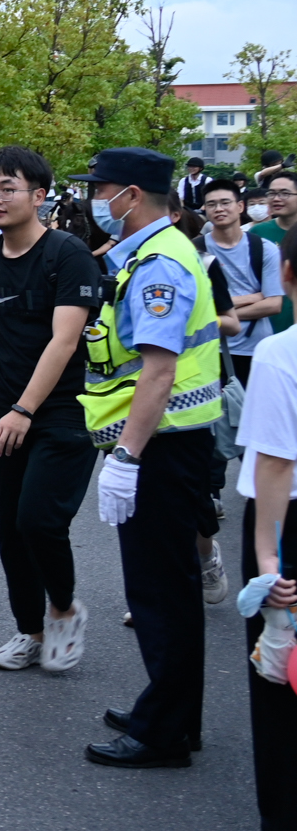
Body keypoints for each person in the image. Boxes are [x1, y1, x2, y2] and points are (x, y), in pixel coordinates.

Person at [74, 147, 223, 768]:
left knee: (161, 592)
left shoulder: (160, 264)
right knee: (172, 589)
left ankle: (163, 733)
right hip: (176, 444)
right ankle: (172, 713)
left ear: (131, 195)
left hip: (162, 447)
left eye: (100, 189)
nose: (93, 201)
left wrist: (127, 458)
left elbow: (158, 374)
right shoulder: (160, 252)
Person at [0, 147, 105, 675]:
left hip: (62, 413)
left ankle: (65, 609)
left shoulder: (67, 253)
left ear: (39, 196)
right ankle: (29, 630)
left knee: (39, 521)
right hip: (6, 414)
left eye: (8, 188)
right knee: (10, 527)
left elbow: (65, 340)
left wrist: (23, 409)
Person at [233, 228, 297, 829]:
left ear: (287, 276)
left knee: (280, 674)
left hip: (286, 522)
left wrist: (268, 564)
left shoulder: (281, 352)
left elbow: (277, 461)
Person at [202, 177, 284, 387]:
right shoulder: (196, 249)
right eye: (212, 204)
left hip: (254, 348)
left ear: (240, 206)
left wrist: (222, 316)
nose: (218, 209)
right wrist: (254, 297)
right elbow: (195, 303)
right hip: (209, 348)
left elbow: (274, 304)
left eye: (225, 202)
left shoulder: (264, 248)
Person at [254, 170, 296, 337]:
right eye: (272, 193)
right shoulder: (258, 233)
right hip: (267, 324)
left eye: (285, 193)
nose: (276, 198)